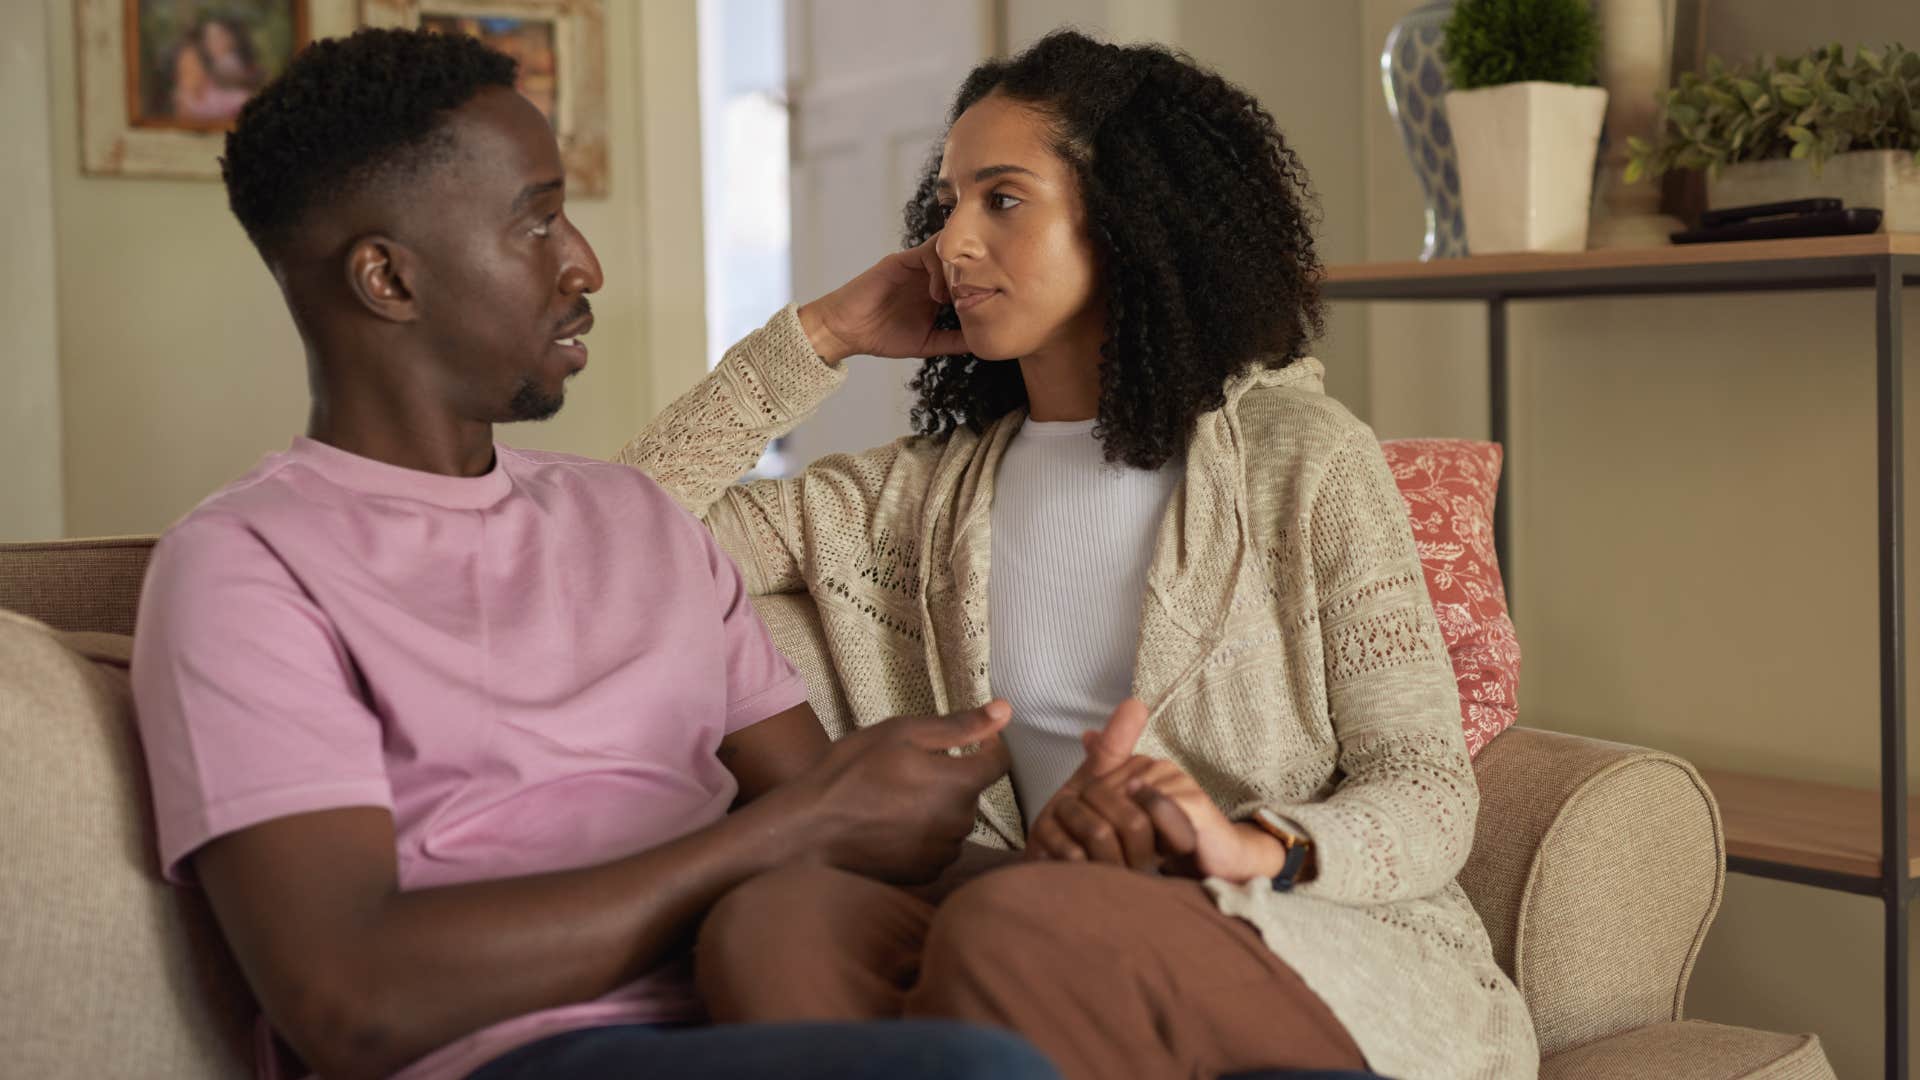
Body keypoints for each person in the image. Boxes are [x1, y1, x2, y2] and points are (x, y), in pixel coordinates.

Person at [130, 28, 1062, 1080]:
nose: (586, 262)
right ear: (387, 279)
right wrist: (776, 840)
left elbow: (843, 833)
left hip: (767, 1004)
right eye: (536, 223)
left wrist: (1110, 883)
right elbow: (352, 999)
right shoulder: (245, 568)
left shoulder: (634, 518)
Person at [620, 29, 1539, 1080]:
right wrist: (819, 337)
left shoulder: (1304, 462)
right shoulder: (911, 499)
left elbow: (1425, 784)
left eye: (1001, 200)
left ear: (1130, 224)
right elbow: (619, 544)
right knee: (773, 926)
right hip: (1025, 913)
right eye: (948, 203)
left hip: (1294, 938)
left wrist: (1252, 846)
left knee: (1016, 928)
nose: (950, 244)